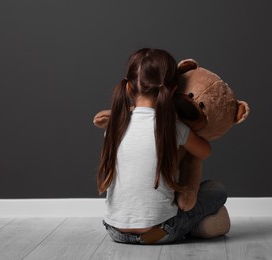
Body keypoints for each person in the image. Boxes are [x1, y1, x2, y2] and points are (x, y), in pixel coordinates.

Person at [97, 48, 230, 244]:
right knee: (216, 191)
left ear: (128, 88)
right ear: (174, 90)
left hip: (115, 231)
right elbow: (205, 151)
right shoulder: (173, 127)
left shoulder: (114, 127)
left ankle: (196, 227)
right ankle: (198, 226)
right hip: (158, 233)